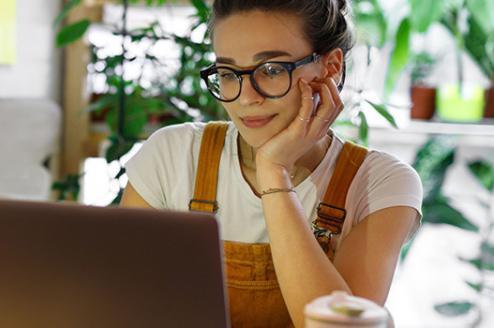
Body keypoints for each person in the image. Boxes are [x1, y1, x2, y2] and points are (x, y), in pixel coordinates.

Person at [120, 0, 423, 326]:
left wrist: (274, 173)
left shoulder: (380, 184)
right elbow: (116, 301)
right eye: (228, 73)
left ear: (330, 67)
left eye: (272, 70)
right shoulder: (172, 155)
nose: (247, 97)